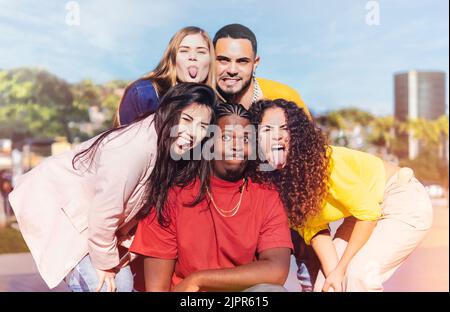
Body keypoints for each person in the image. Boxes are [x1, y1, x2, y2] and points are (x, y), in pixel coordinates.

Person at [8, 83, 217, 292]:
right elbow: (105, 212)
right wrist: (105, 264)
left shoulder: (169, 150)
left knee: (121, 284)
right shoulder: (134, 148)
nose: (192, 133)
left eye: (202, 126)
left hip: (89, 219)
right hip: (60, 209)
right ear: (169, 111)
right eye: (187, 119)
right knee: (107, 286)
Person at [250, 99, 433, 292]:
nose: (276, 136)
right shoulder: (279, 184)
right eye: (267, 130)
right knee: (325, 286)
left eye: (284, 128)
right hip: (362, 214)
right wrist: (334, 275)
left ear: (296, 134)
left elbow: (369, 213)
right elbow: (315, 231)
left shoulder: (322, 163)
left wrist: (342, 268)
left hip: (400, 198)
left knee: (359, 276)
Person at [129, 103, 293, 292]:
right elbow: (157, 288)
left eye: (246, 139)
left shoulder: (267, 197)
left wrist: (199, 279)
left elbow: (277, 270)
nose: (237, 145)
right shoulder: (172, 196)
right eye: (226, 137)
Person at [115, 26, 216, 126]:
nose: (193, 57)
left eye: (201, 52)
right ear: (172, 58)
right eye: (184, 51)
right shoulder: (144, 94)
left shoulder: (215, 106)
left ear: (210, 60)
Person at [213, 23, 309, 115]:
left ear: (255, 63)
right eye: (223, 60)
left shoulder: (286, 98)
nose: (232, 70)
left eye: (242, 61)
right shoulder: (201, 99)